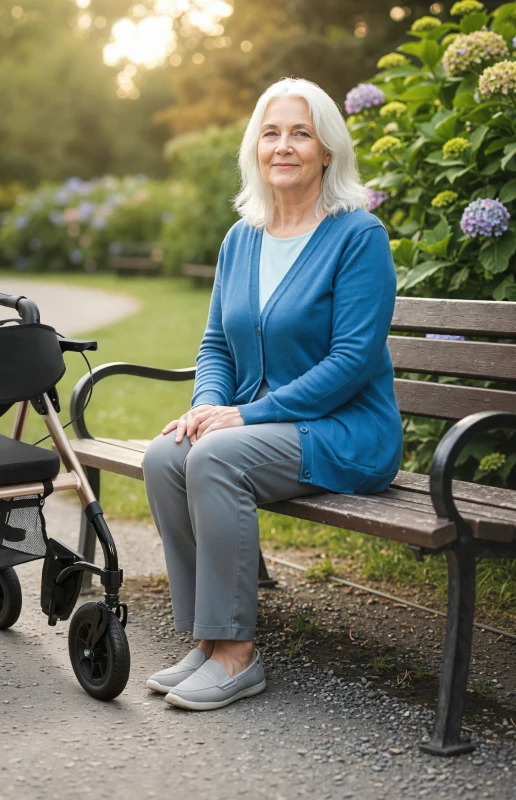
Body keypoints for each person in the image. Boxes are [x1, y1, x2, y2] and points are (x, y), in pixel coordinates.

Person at [142, 77, 403, 711]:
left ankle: (238, 654)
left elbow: (351, 362)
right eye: (271, 133)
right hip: (267, 429)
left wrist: (243, 415)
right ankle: (207, 640)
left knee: (215, 456)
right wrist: (210, 407)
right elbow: (215, 347)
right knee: (166, 455)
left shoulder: (356, 237)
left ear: (327, 152)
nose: (283, 146)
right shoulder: (243, 238)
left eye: (300, 133)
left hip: (347, 430)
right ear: (254, 149)